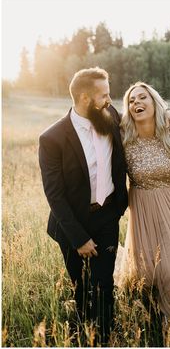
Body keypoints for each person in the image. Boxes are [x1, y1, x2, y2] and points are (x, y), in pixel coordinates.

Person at [38, 67, 128, 346]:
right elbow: (54, 194)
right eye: (104, 95)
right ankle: (82, 337)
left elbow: (145, 120)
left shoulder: (110, 117)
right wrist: (79, 238)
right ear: (86, 98)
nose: (109, 100)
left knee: (104, 285)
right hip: (72, 224)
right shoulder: (52, 138)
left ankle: (106, 337)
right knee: (82, 287)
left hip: (107, 216)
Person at [119, 82, 170, 328]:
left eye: (143, 98)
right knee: (145, 274)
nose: (136, 104)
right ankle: (146, 315)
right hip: (142, 210)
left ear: (154, 103)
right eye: (131, 101)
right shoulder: (124, 138)